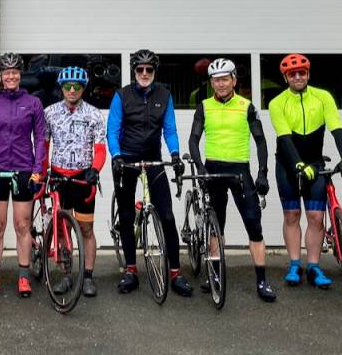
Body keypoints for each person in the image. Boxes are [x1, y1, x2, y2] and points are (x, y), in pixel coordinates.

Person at [188, 57, 276, 302]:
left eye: (225, 79)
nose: (221, 84)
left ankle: (262, 281)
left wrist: (262, 173)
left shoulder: (247, 106)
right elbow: (193, 140)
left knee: (253, 225)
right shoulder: (204, 106)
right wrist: (200, 168)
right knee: (217, 226)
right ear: (211, 82)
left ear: (234, 79)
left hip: (240, 172)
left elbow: (260, 141)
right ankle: (214, 275)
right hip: (213, 170)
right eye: (216, 80)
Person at [107, 49, 192, 297]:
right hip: (127, 159)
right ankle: (130, 270)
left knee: (166, 215)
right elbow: (112, 129)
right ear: (134, 72)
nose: (144, 74)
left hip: (153, 159)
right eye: (140, 69)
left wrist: (175, 154)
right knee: (125, 215)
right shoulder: (122, 96)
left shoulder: (164, 95)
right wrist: (116, 156)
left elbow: (170, 130)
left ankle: (175, 272)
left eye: (149, 70)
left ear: (154, 72)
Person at [268, 53, 342, 289]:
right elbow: (284, 138)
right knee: (292, 215)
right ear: (285, 77)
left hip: (314, 163)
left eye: (302, 72)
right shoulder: (277, 103)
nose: (298, 77)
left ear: (308, 74)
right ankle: (295, 263)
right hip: (287, 165)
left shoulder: (323, 97)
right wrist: (297, 164)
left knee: (316, 217)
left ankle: (314, 266)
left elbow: (337, 130)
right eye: (292, 74)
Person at [0, 52, 47, 297]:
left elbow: (41, 139)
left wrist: (37, 170)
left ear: (20, 75)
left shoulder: (33, 103)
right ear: (1, 75)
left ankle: (23, 277)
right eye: (7, 72)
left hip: (24, 169)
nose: (11, 76)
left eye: (15, 72)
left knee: (22, 225)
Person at [43, 66, 106, 297]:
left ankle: (88, 276)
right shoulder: (49, 113)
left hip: (82, 177)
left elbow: (100, 149)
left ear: (83, 88)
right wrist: (41, 173)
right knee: (63, 230)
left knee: (86, 228)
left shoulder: (94, 114)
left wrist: (95, 170)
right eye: (67, 86)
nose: (72, 90)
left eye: (76, 86)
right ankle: (66, 275)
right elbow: (44, 146)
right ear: (61, 88)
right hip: (59, 177)